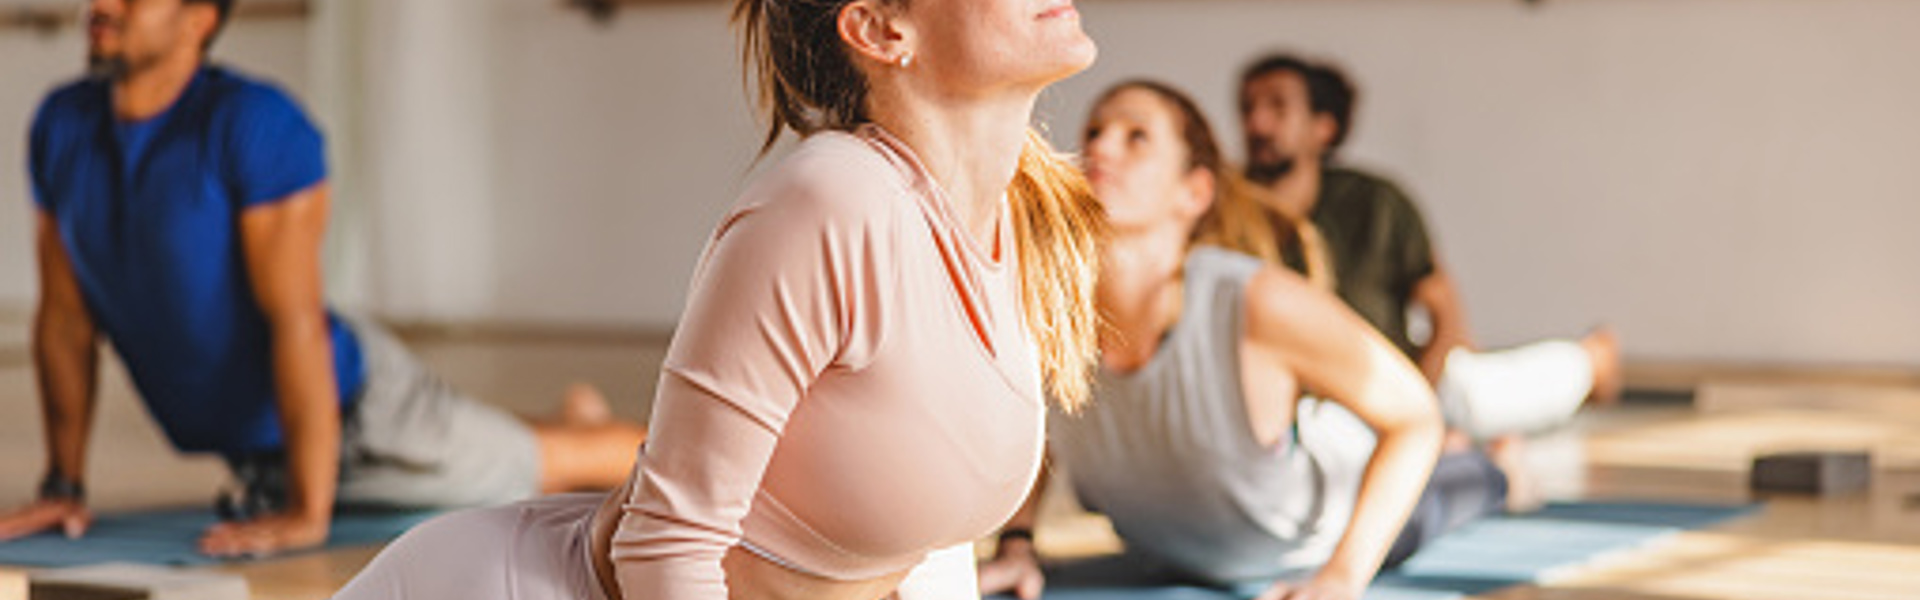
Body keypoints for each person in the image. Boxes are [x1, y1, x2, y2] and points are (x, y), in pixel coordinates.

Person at [330, 0, 1104, 598]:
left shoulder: (1012, 219)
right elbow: (667, 546)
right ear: (878, 28)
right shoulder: (832, 201)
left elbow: (925, 547)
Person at [5, 0, 647, 558]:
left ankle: (713, 460)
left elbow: (297, 321)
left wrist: (309, 514)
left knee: (561, 467)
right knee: (510, 455)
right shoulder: (63, 126)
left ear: (199, 19)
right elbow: (64, 320)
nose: (102, 5)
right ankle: (571, 415)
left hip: (364, 414)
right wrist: (63, 486)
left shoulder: (255, 124)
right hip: (264, 451)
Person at [979, 80, 1475, 600]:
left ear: (1194, 192)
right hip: (1191, 548)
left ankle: (1499, 458)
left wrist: (1342, 578)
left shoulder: (1257, 302)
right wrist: (1016, 545)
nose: (1101, 148)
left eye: (1137, 137)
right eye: (1096, 131)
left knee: (1472, 473)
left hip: (1350, 517)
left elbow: (1416, 417)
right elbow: (1040, 435)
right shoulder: (1052, 309)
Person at [1237, 53, 1622, 442]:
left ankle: (1592, 361)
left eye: (1278, 106)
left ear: (1324, 127)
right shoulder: (1228, 212)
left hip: (1396, 385)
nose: (1257, 123)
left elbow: (1448, 319)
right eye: (1248, 108)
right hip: (1294, 400)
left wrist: (1414, 414)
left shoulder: (1377, 204)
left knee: (1481, 397)